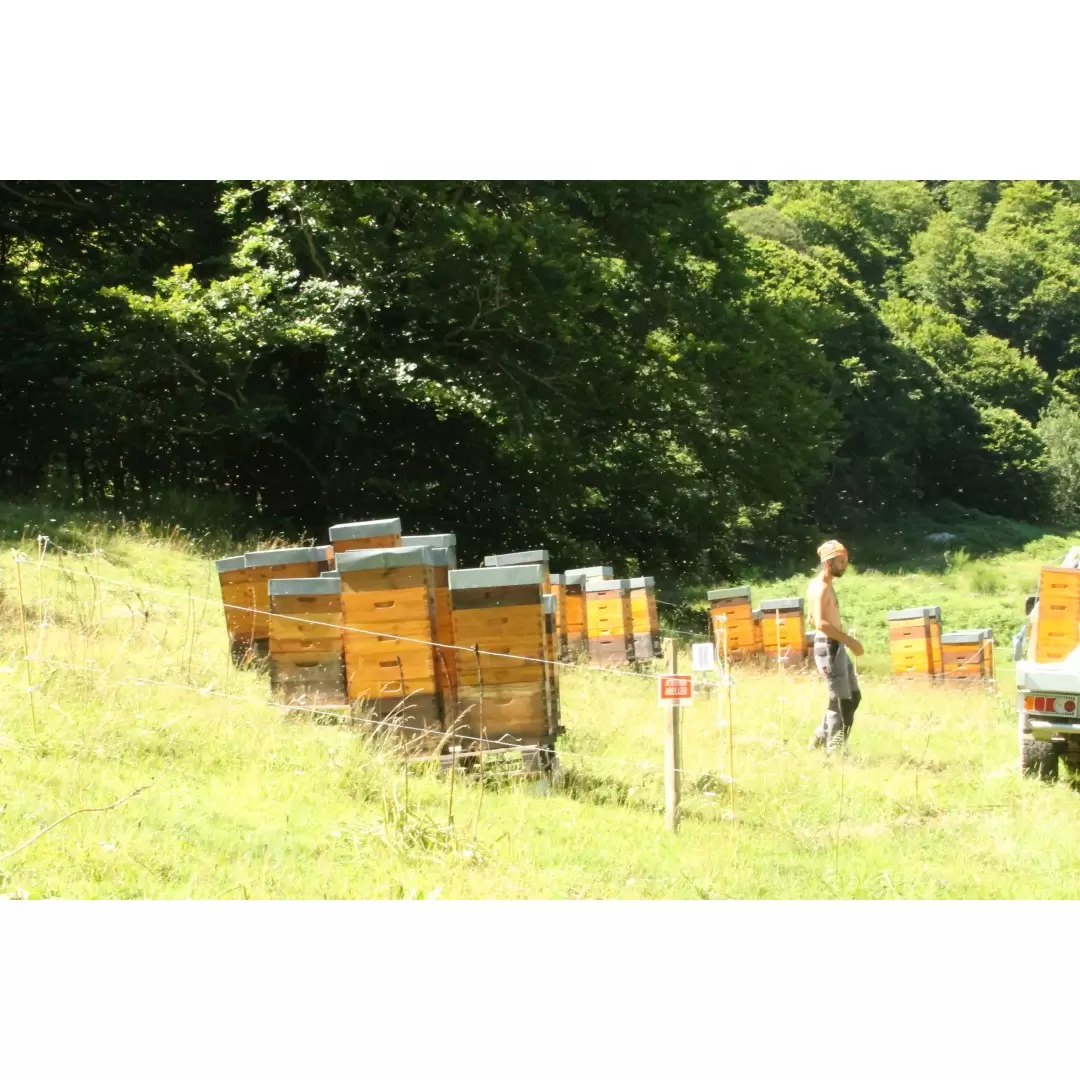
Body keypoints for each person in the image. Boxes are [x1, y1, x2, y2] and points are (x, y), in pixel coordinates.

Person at [807, 539, 864, 753]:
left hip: (835, 646)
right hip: (829, 647)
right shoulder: (821, 588)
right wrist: (851, 641)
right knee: (841, 701)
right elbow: (820, 623)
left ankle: (818, 741)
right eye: (841, 562)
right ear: (828, 562)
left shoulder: (822, 584)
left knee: (853, 697)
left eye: (845, 561)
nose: (845, 566)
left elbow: (811, 619)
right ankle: (834, 752)